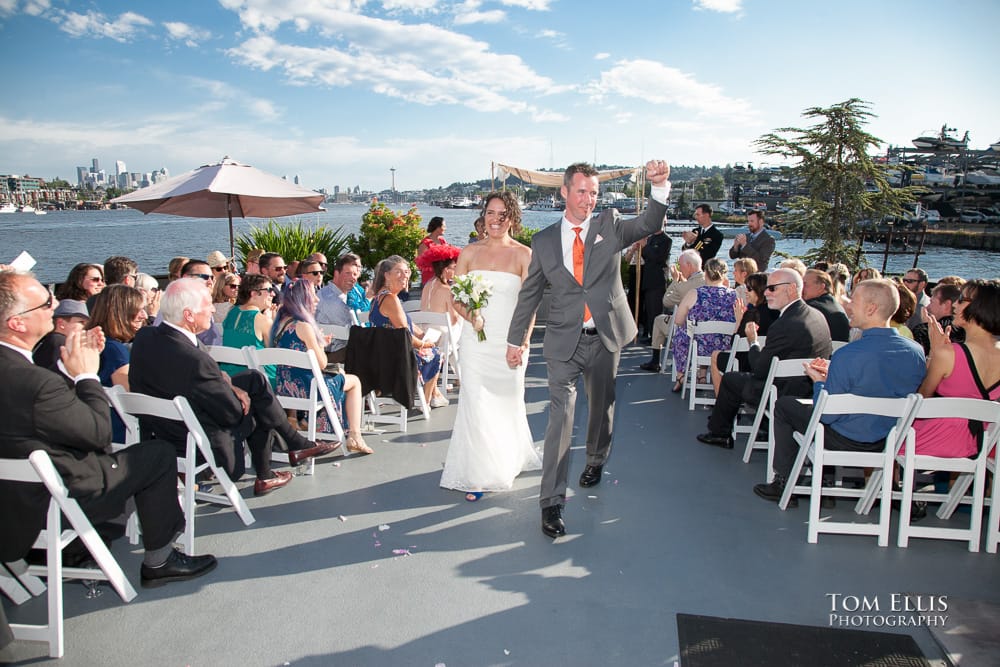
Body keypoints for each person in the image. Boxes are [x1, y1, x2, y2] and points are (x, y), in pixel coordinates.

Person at [0, 270, 217, 587]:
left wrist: (65, 367)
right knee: (157, 454)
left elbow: (39, 411)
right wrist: (86, 375)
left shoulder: (23, 370)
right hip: (52, 500)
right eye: (46, 303)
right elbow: (98, 433)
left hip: (13, 498)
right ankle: (160, 559)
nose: (55, 306)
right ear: (17, 323)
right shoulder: (36, 382)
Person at [506, 159, 671, 538]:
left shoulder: (609, 225)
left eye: (594, 192)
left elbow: (647, 224)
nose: (588, 199)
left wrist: (659, 189)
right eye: (581, 191)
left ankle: (596, 458)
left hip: (605, 337)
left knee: (602, 407)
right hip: (564, 341)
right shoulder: (544, 240)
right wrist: (516, 341)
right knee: (559, 421)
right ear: (564, 192)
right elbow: (530, 295)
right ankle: (550, 502)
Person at [129, 278, 337, 496]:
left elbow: (193, 375)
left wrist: (227, 381)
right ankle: (276, 463)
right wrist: (236, 393)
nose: (212, 309)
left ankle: (292, 447)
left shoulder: (146, 337)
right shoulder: (196, 362)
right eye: (207, 304)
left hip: (163, 429)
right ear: (189, 315)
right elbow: (231, 414)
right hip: (199, 441)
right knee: (259, 404)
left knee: (254, 380)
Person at [753, 279, 926, 505]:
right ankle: (822, 485)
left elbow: (827, 415)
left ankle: (784, 482)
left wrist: (819, 382)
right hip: (887, 439)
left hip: (845, 438)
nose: (848, 306)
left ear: (871, 309)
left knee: (785, 406)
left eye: (853, 300)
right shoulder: (916, 353)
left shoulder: (849, 354)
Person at [440, 191, 541, 501]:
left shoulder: (525, 254)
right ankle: (479, 474)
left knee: (508, 401)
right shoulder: (469, 252)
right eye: (490, 212)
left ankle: (508, 457)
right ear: (482, 216)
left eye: (502, 213)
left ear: (512, 217)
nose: (495, 219)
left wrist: (523, 342)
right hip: (475, 340)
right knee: (476, 402)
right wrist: (473, 317)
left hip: (509, 341)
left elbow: (531, 304)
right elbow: (457, 298)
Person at [696, 268, 833, 450]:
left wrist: (753, 342)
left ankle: (719, 432)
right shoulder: (817, 316)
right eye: (767, 288)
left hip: (779, 391)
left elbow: (759, 369)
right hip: (808, 392)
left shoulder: (784, 324)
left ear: (791, 289)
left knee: (730, 379)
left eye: (773, 289)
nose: (766, 292)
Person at [271, 280, 372, 454]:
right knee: (354, 381)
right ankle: (355, 435)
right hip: (308, 388)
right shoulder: (303, 326)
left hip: (285, 387)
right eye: (313, 295)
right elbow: (322, 363)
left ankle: (312, 424)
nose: (317, 299)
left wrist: (318, 345)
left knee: (339, 374)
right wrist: (321, 346)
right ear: (303, 299)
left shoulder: (279, 323)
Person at [909, 279, 1000, 457]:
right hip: (985, 442)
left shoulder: (949, 354)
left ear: (979, 307)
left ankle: (892, 483)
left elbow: (922, 400)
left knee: (886, 434)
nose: (954, 306)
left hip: (941, 440)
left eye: (961, 300)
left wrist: (934, 352)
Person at [370, 255, 445, 408]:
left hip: (382, 354)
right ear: (387, 275)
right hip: (396, 358)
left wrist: (423, 338)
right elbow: (405, 336)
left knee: (431, 350)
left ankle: (435, 395)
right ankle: (426, 401)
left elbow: (406, 325)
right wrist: (424, 344)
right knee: (436, 354)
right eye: (398, 272)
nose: (404, 276)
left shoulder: (379, 297)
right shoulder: (390, 299)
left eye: (406, 271)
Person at [88, 284, 148, 443]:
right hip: (121, 433)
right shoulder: (115, 350)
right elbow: (130, 398)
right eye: (139, 310)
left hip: (98, 425)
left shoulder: (91, 341)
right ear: (122, 313)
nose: (144, 315)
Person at [669, 257, 737, 394]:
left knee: (681, 334)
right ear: (724, 275)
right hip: (725, 347)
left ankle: (681, 375)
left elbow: (678, 320)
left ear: (705, 273)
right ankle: (701, 375)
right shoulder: (734, 295)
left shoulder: (695, 293)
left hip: (698, 348)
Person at [710, 271, 777, 395]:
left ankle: (720, 400)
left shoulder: (752, 314)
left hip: (746, 363)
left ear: (760, 290)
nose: (746, 291)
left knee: (715, 355)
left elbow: (734, 343)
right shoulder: (776, 313)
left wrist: (739, 320)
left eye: (750, 289)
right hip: (768, 363)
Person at [640, 249, 704, 373]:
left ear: (689, 266)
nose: (680, 269)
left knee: (659, 320)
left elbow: (666, 301)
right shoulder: (708, 280)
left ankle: (655, 360)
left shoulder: (684, 287)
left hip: (687, 330)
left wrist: (675, 281)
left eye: (681, 266)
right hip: (706, 332)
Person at [220, 273, 275, 385]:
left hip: (230, 377)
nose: (273, 294)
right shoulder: (262, 320)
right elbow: (274, 354)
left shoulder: (232, 313)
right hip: (259, 380)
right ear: (254, 293)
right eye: (268, 290)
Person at [316, 253, 365, 361]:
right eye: (348, 273)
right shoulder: (331, 299)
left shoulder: (342, 295)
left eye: (355, 274)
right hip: (332, 354)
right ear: (336, 273)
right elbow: (356, 329)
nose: (353, 278)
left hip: (343, 348)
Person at [417, 242, 462, 345]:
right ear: (446, 269)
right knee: (464, 321)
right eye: (454, 267)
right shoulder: (447, 290)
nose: (456, 270)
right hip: (441, 336)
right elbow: (453, 320)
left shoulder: (427, 285)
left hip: (425, 331)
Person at [32, 298, 90, 373]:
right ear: (61, 323)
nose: (84, 327)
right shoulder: (60, 341)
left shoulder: (49, 339)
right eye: (81, 322)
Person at [911, 282, 965, 355]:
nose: (927, 307)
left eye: (932, 302)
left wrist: (924, 327)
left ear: (946, 305)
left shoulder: (922, 330)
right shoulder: (968, 330)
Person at [802, 269, 850, 342]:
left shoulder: (812, 307)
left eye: (805, 284)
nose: (801, 288)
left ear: (821, 287)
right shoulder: (834, 304)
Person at [417, 216, 447, 283]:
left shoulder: (442, 241)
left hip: (443, 276)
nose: (445, 228)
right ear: (438, 228)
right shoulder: (425, 243)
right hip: (430, 277)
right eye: (444, 226)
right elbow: (420, 263)